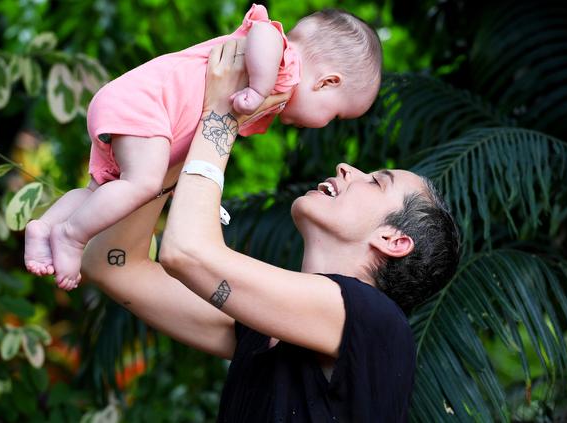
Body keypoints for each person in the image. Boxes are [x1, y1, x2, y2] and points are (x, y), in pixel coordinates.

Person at [81, 39, 460, 421]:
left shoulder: (377, 322)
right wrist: (173, 134)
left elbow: (187, 253)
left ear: (394, 241)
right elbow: (111, 264)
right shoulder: (259, 331)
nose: (348, 167)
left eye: (377, 182)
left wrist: (222, 113)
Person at [24, 3, 383, 289]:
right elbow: (264, 31)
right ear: (327, 82)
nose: (325, 124)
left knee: (101, 191)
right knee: (142, 183)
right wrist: (259, 87)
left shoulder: (273, 95)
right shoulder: (284, 65)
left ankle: (46, 225)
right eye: (335, 115)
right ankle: (71, 237)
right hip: (145, 106)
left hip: (142, 118)